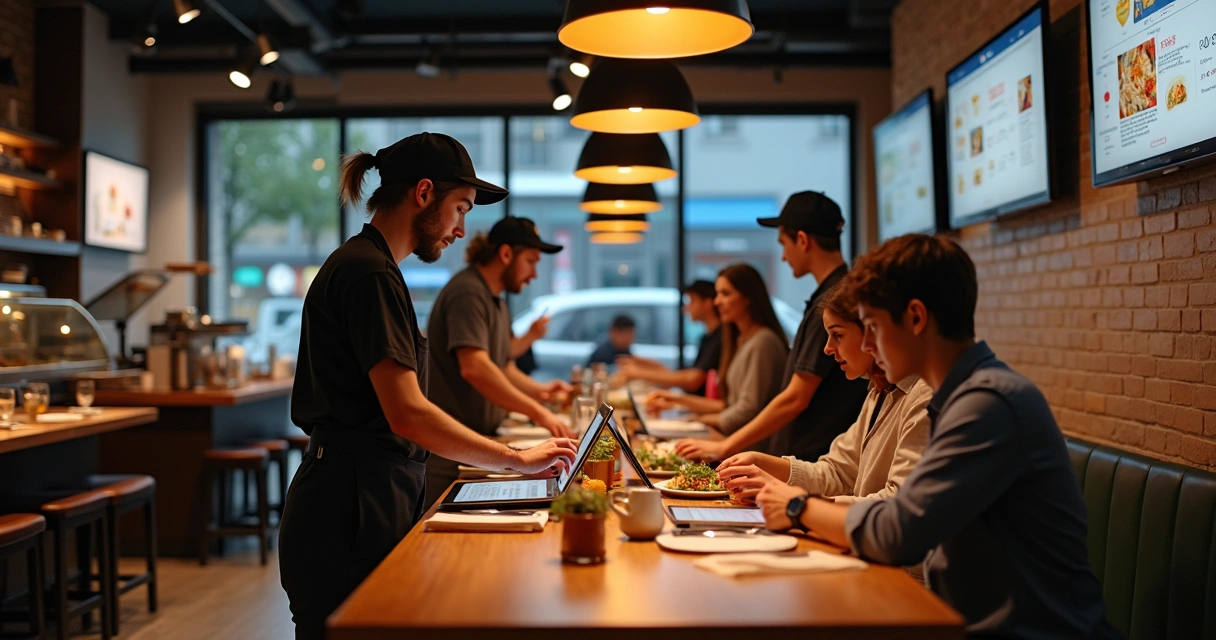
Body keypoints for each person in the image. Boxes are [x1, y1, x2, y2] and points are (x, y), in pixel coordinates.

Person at [278, 132, 577, 640]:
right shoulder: (368, 273)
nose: (461, 230)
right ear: (423, 194)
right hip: (348, 508)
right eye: (460, 208)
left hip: (362, 495)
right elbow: (408, 413)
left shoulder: (375, 268)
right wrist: (517, 458)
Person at [755, 234, 1118, 639]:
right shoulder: (959, 395)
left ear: (915, 318)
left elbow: (900, 531)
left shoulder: (986, 403)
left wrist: (798, 507)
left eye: (872, 326)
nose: (870, 346)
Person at [675, 191, 868, 462]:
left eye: (783, 244)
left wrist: (725, 446)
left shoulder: (833, 299)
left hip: (814, 457)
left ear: (802, 240)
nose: (783, 257)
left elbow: (795, 398)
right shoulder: (830, 294)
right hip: (812, 457)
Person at [714, 281, 930, 505]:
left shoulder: (922, 395)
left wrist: (799, 504)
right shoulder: (878, 390)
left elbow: (898, 504)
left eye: (837, 335)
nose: (827, 348)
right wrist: (762, 462)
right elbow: (837, 472)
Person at [424, 216, 574, 509]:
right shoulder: (467, 292)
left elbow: (504, 366)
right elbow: (475, 367)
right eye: (531, 261)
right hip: (452, 454)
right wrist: (539, 412)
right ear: (506, 254)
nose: (533, 274)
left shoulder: (496, 300)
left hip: (481, 445)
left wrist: (541, 393)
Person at [644, 265, 788, 438]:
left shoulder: (763, 341)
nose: (717, 301)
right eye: (717, 294)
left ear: (747, 297)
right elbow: (729, 405)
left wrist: (701, 420)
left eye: (725, 294)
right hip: (734, 439)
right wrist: (683, 406)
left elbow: (748, 409)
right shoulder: (740, 339)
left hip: (748, 446)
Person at [616, 280, 722, 395]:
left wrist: (639, 373)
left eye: (691, 301)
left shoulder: (719, 337)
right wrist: (650, 365)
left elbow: (693, 380)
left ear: (708, 303)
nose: (685, 309)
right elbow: (685, 376)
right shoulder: (706, 338)